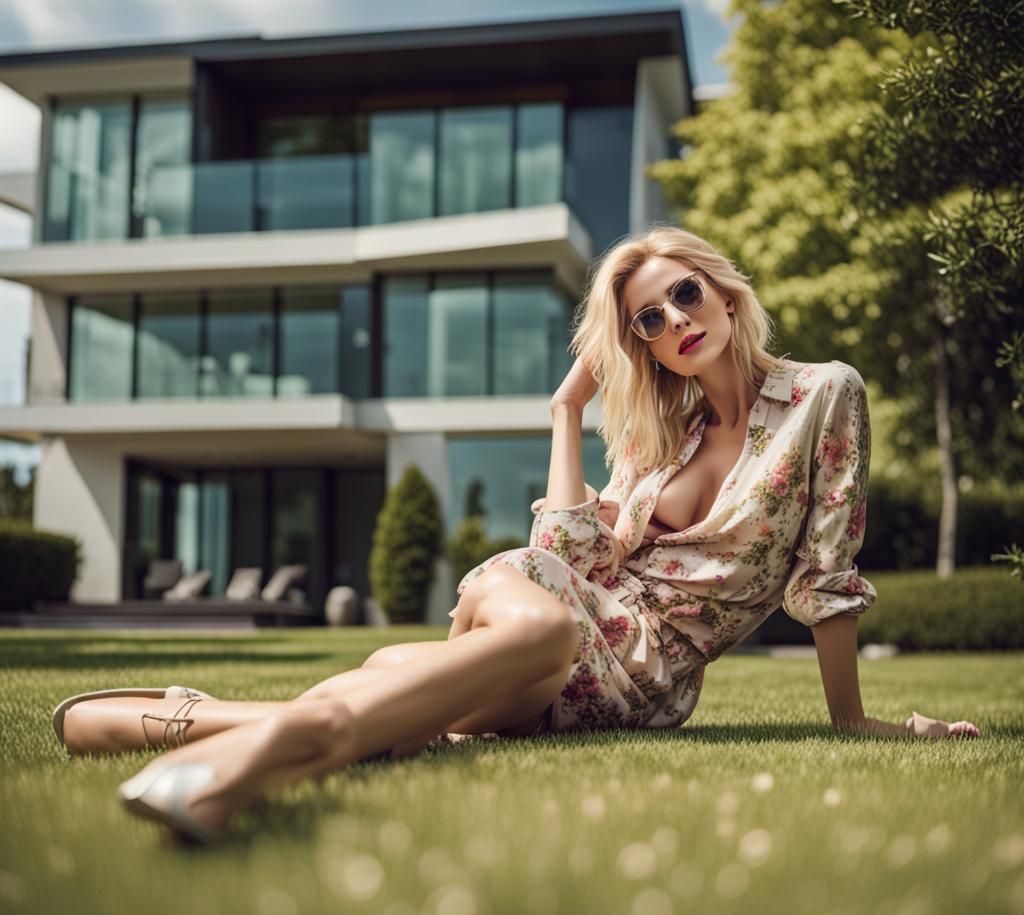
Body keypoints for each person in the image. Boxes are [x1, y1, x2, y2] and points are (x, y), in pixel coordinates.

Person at [52, 226, 979, 844]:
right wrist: (566, 411)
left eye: (686, 295)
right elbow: (569, 557)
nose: (675, 321)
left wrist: (854, 722)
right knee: (538, 622)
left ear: (726, 295)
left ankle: (174, 721)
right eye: (649, 320)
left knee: (401, 690)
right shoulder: (660, 438)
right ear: (646, 346)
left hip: (636, 683)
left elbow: (825, 573)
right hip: (549, 607)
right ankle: (248, 769)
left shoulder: (823, 395)